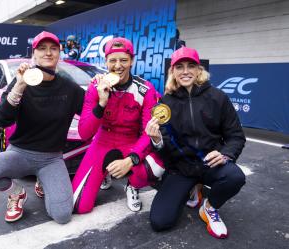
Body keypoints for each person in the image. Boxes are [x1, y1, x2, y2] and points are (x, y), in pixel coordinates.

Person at [0, 31, 85, 224]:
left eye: (53, 49)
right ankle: (17, 193)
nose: (48, 53)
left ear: (59, 53)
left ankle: (44, 181)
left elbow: (91, 115)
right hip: (20, 154)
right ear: (34, 54)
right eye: (42, 48)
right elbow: (1, 119)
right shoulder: (20, 81)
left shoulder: (71, 89)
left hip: (51, 159)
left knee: (63, 215)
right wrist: (20, 86)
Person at [145, 46, 246, 239]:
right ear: (172, 72)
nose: (185, 71)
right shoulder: (165, 103)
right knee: (160, 222)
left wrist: (225, 154)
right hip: (181, 168)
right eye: (179, 66)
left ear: (199, 70)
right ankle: (193, 190)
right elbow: (165, 151)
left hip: (210, 163)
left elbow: (236, 136)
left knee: (235, 177)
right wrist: (157, 141)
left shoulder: (218, 97)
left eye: (191, 66)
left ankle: (209, 207)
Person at [72, 37, 165, 214]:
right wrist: (101, 103)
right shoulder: (95, 86)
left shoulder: (146, 89)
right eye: (113, 60)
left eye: (124, 60)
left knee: (157, 167)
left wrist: (130, 161)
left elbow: (148, 133)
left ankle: (133, 186)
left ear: (132, 61)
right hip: (102, 142)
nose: (118, 65)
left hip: (131, 143)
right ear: (105, 62)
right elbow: (84, 134)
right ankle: (103, 175)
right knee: (79, 206)